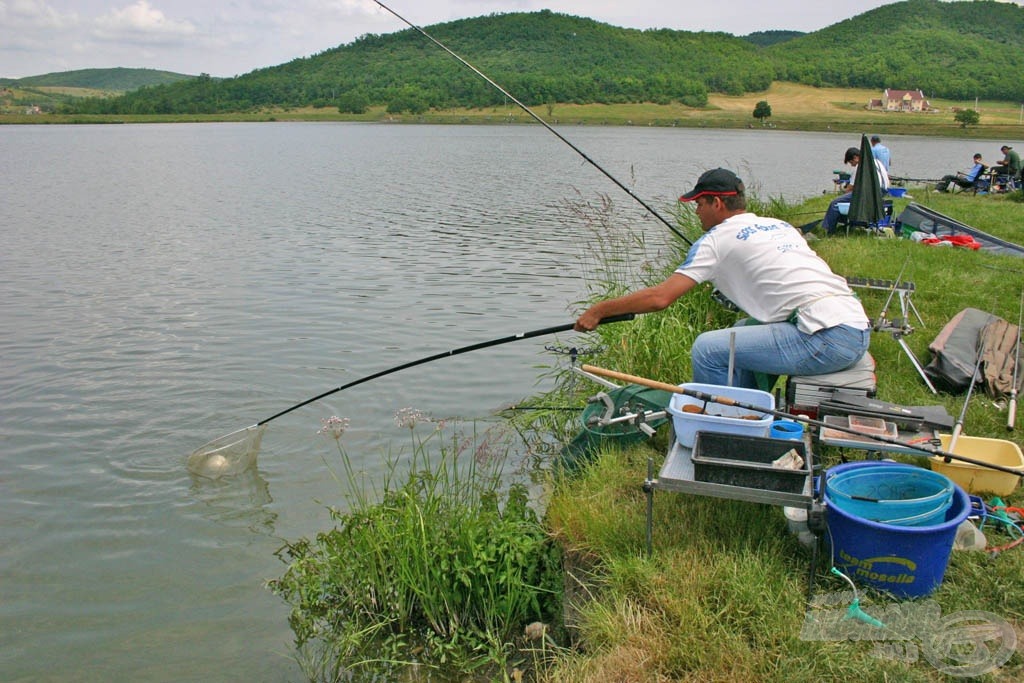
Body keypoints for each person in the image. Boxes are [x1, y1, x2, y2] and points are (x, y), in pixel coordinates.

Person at [574, 168, 871, 390]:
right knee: (743, 328)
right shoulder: (777, 225)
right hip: (856, 327)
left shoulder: (715, 240)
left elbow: (659, 298)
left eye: (699, 204)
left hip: (825, 340)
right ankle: (747, 408)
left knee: (708, 349)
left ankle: (718, 426)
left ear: (717, 203)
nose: (697, 212)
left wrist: (599, 310)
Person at [821, 147, 890, 235]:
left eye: (851, 162)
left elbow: (850, 188)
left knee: (835, 203)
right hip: (882, 192)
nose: (852, 165)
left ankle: (828, 231)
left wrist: (842, 189)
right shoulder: (877, 162)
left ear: (856, 157)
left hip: (869, 193)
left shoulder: (861, 166)